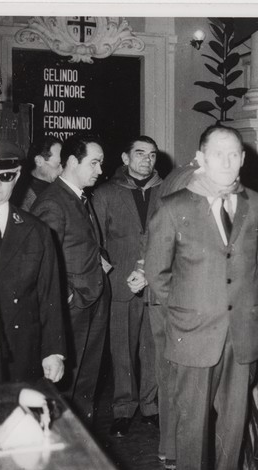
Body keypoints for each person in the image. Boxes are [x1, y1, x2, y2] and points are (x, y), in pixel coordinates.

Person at [145, 125, 258, 470]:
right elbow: (157, 273)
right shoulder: (172, 206)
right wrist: (188, 311)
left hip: (241, 331)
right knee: (191, 422)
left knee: (234, 421)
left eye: (235, 154)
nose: (227, 161)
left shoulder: (257, 207)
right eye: (218, 153)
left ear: (243, 159)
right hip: (193, 332)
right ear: (200, 157)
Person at [31, 133, 110, 423]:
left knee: (84, 384)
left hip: (91, 302)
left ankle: (82, 445)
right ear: (73, 161)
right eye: (94, 163)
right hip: (73, 308)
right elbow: (41, 261)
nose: (100, 171)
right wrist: (68, 297)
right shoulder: (53, 202)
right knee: (66, 387)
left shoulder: (77, 197)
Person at [92, 136, 164, 439]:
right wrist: (113, 273)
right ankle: (123, 408)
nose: (146, 160)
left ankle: (151, 406)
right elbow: (95, 241)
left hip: (158, 283)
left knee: (154, 348)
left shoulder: (167, 191)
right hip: (121, 285)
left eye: (151, 155)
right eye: (139, 154)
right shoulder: (106, 193)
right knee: (122, 348)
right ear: (125, 157)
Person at [0, 139, 66, 384]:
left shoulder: (36, 231)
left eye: (4, 176)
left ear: (17, 176)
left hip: (19, 351)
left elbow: (49, 296)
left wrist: (53, 352)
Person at [12, 136, 63, 211]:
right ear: (39, 161)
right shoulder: (23, 197)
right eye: (58, 164)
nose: (62, 170)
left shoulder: (59, 186)